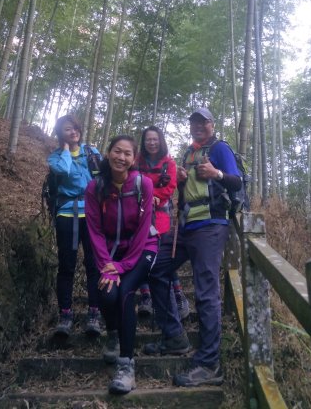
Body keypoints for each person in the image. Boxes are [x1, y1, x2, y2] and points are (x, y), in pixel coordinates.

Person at [145, 108, 242, 387]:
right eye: (193, 122)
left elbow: (237, 182)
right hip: (187, 227)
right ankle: (175, 336)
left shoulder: (220, 148)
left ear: (212, 124)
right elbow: (184, 190)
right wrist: (181, 180)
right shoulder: (188, 153)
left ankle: (210, 364)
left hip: (211, 225)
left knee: (206, 291)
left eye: (203, 122)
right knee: (155, 267)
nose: (197, 126)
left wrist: (217, 173)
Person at [85, 135, 158, 394]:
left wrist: (123, 267)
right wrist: (106, 264)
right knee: (106, 293)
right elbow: (93, 230)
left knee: (125, 292)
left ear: (134, 159)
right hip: (111, 254)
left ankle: (126, 365)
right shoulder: (95, 187)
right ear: (108, 153)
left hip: (143, 249)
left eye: (127, 153)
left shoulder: (143, 185)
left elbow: (141, 232)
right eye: (117, 151)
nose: (121, 157)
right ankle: (114, 334)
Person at [47, 115, 102, 337]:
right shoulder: (55, 158)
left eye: (75, 128)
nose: (73, 132)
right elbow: (64, 171)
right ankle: (66, 315)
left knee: (94, 264)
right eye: (67, 130)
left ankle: (94, 314)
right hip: (67, 214)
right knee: (67, 265)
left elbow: (102, 178)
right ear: (60, 134)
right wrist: (67, 150)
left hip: (91, 213)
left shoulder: (92, 153)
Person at [136, 126, 189, 321]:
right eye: (148, 139)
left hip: (160, 215)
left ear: (161, 140)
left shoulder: (169, 163)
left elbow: (170, 186)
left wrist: (153, 197)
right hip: (139, 215)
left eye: (155, 139)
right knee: (141, 254)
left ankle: (177, 293)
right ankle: (146, 295)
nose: (151, 142)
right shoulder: (137, 161)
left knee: (162, 257)